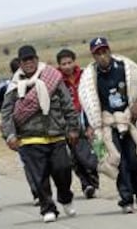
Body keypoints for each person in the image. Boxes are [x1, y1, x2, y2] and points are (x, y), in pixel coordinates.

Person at [1, 45, 79, 223]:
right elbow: (6, 113)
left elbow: (68, 105)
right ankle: (47, 208)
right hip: (30, 138)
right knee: (39, 177)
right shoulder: (14, 85)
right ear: (20, 63)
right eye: (24, 60)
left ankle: (65, 198)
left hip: (56, 134)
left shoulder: (52, 77)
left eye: (31, 59)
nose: (29, 63)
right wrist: (10, 136)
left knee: (63, 170)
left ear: (37, 59)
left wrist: (73, 128)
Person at [78, 37, 137, 213]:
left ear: (109, 51)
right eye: (98, 53)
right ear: (93, 56)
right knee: (118, 162)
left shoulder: (125, 68)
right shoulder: (90, 77)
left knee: (135, 160)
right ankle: (126, 199)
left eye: (105, 51)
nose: (102, 56)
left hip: (128, 120)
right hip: (107, 124)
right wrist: (88, 126)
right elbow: (87, 104)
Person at [0, 57, 51, 206]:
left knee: (29, 163)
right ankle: (42, 192)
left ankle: (38, 193)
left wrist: (8, 132)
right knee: (35, 162)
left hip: (18, 131)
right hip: (28, 130)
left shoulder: (5, 87)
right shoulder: (36, 82)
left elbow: (2, 110)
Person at [56, 48, 99, 198]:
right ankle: (86, 184)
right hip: (68, 121)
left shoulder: (85, 75)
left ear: (75, 62)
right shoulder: (56, 80)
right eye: (63, 64)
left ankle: (93, 179)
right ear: (59, 65)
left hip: (87, 116)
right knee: (74, 156)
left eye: (69, 62)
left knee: (90, 152)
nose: (67, 66)